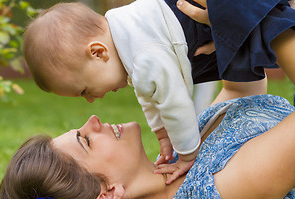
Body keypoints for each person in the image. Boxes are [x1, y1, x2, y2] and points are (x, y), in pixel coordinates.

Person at [22, 0, 295, 181]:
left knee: (271, 26)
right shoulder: (126, 39)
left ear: (98, 52)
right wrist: (162, 134)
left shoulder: (143, 56)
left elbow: (174, 101)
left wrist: (187, 154)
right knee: (237, 60)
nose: (93, 99)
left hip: (213, 8)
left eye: (84, 90)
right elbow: (148, 94)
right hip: (197, 25)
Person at [0, 87, 295, 199]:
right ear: (108, 192)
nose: (93, 120)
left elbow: (241, 88)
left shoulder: (184, 154)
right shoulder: (221, 191)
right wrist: (275, 26)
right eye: (86, 140)